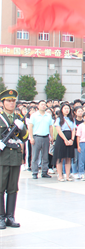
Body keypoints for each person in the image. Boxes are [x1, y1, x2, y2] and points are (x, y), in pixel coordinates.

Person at [0, 89, 28, 229]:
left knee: (12, 188)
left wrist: (21, 128)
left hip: (15, 156)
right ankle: (1, 217)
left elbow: (25, 137)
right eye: (9, 101)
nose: (11, 103)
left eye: (13, 101)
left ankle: (10, 217)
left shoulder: (18, 117)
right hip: (2, 157)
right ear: (2, 103)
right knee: (0, 187)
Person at [28, 100, 54, 179]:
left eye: (44, 104)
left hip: (46, 137)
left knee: (45, 156)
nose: (43, 106)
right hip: (37, 137)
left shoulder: (48, 115)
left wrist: (51, 136)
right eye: (41, 104)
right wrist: (31, 137)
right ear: (38, 106)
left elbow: (50, 126)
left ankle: (44, 172)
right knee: (35, 156)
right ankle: (34, 172)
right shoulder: (34, 115)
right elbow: (30, 127)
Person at [54, 104, 76, 182]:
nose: (67, 110)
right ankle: (60, 175)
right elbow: (59, 130)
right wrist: (65, 140)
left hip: (70, 138)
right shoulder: (59, 119)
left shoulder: (72, 119)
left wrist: (72, 139)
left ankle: (67, 175)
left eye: (68, 108)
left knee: (68, 158)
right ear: (62, 110)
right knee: (60, 158)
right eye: (65, 108)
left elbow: (74, 129)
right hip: (61, 138)